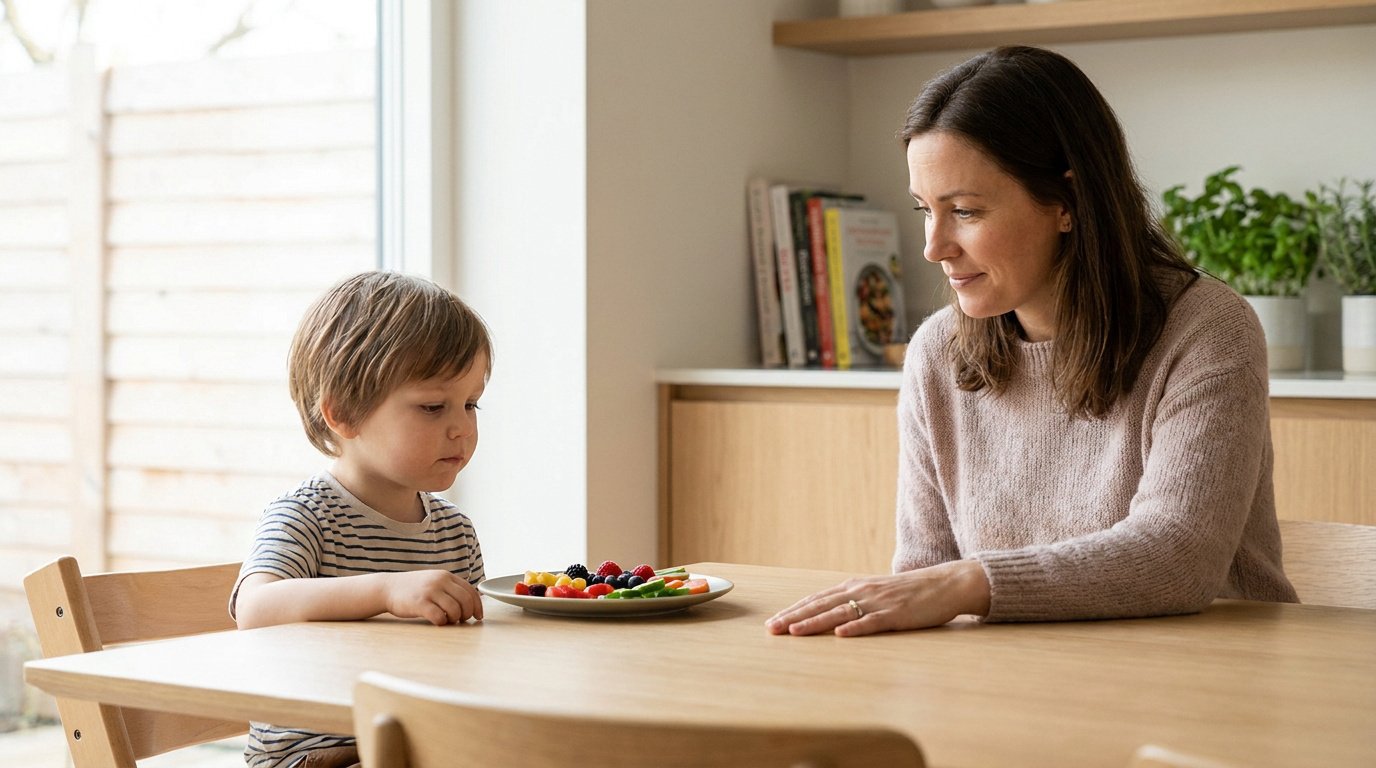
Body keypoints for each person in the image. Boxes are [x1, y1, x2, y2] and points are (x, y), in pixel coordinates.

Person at [766, 45, 1297, 638]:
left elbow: (1179, 558)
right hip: (1023, 685)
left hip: (1212, 684)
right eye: (924, 209)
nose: (933, 246)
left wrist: (968, 583)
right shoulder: (938, 353)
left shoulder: (1206, 330)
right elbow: (921, 580)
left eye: (964, 211)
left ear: (1065, 202)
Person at [229, 271, 492, 767]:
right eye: (434, 407)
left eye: (471, 403)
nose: (462, 428)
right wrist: (388, 590)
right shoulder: (306, 515)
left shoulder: (455, 532)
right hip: (317, 755)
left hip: (417, 744)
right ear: (344, 413)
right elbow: (255, 608)